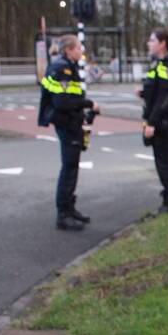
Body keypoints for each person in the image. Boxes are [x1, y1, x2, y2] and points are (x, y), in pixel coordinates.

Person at [38, 34, 99, 230]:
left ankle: (70, 208)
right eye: (79, 48)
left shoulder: (67, 67)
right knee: (69, 168)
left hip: (70, 121)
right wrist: (89, 104)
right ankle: (63, 214)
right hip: (66, 123)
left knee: (72, 167)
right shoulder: (61, 69)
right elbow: (62, 101)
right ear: (69, 50)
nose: (82, 52)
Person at [137, 27, 168, 215]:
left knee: (164, 160)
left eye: (152, 40)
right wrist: (143, 93)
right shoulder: (160, 64)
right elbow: (159, 91)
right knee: (163, 159)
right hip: (161, 117)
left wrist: (152, 123)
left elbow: (166, 98)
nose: (149, 44)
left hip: (164, 120)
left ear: (162, 43)